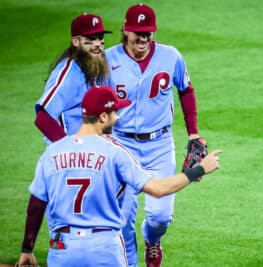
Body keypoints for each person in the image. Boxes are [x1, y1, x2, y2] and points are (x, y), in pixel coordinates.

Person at [17, 86, 221, 267]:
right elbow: (158, 189)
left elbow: (36, 205)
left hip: (61, 245)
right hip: (103, 246)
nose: (118, 117)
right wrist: (200, 169)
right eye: (115, 112)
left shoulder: (53, 152)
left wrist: (27, 248)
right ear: (103, 117)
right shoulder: (114, 152)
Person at [105, 4, 204, 266]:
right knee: (122, 217)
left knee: (160, 216)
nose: (143, 38)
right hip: (120, 143)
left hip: (159, 144)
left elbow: (186, 89)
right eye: (138, 32)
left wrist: (193, 133)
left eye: (148, 32)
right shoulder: (106, 60)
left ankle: (152, 238)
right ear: (125, 30)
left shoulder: (170, 56)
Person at [34, 13, 112, 143]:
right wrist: (67, 148)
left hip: (93, 155)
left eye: (100, 38)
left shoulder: (94, 68)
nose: (97, 44)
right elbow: (43, 118)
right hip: (74, 158)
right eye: (91, 39)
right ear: (76, 41)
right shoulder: (69, 72)